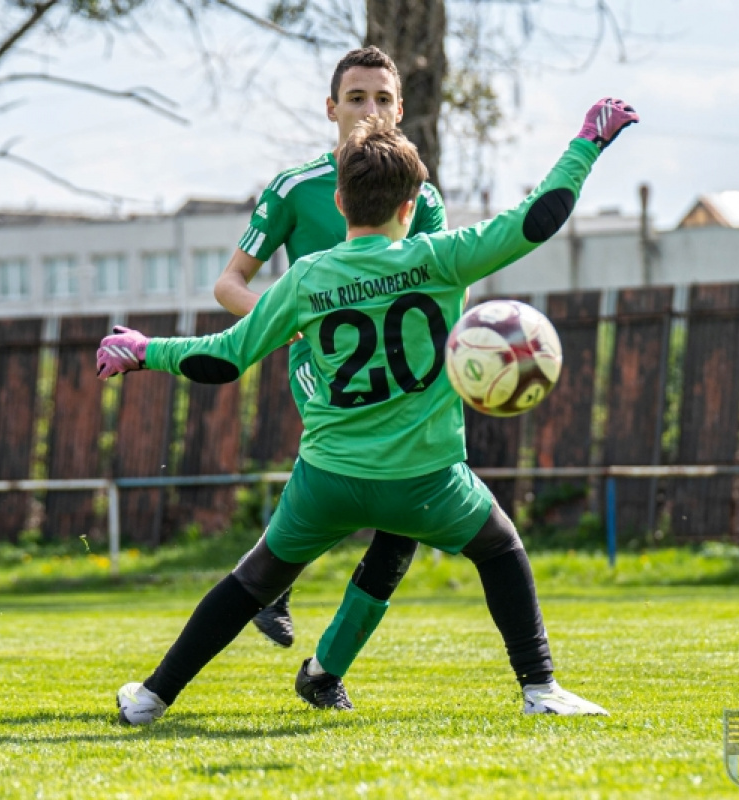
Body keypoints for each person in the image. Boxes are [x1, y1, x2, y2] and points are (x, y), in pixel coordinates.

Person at [97, 96, 639, 725]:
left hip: (328, 480)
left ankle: (150, 699)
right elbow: (535, 220)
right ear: (411, 206)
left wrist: (144, 351)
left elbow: (225, 358)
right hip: (425, 481)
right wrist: (586, 144)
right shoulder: (439, 257)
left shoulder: (306, 277)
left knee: (253, 581)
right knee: (499, 547)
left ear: (338, 202)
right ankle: (539, 687)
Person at [214, 47, 446, 676]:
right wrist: (284, 325)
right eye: (355, 98)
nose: (369, 110)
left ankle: (324, 667)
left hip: (402, 372)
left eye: (382, 99)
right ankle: (275, 576)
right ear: (331, 109)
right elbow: (230, 283)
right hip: (324, 365)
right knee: (368, 479)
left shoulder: (421, 196)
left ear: (399, 109)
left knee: (406, 521)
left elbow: (439, 291)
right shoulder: (296, 188)